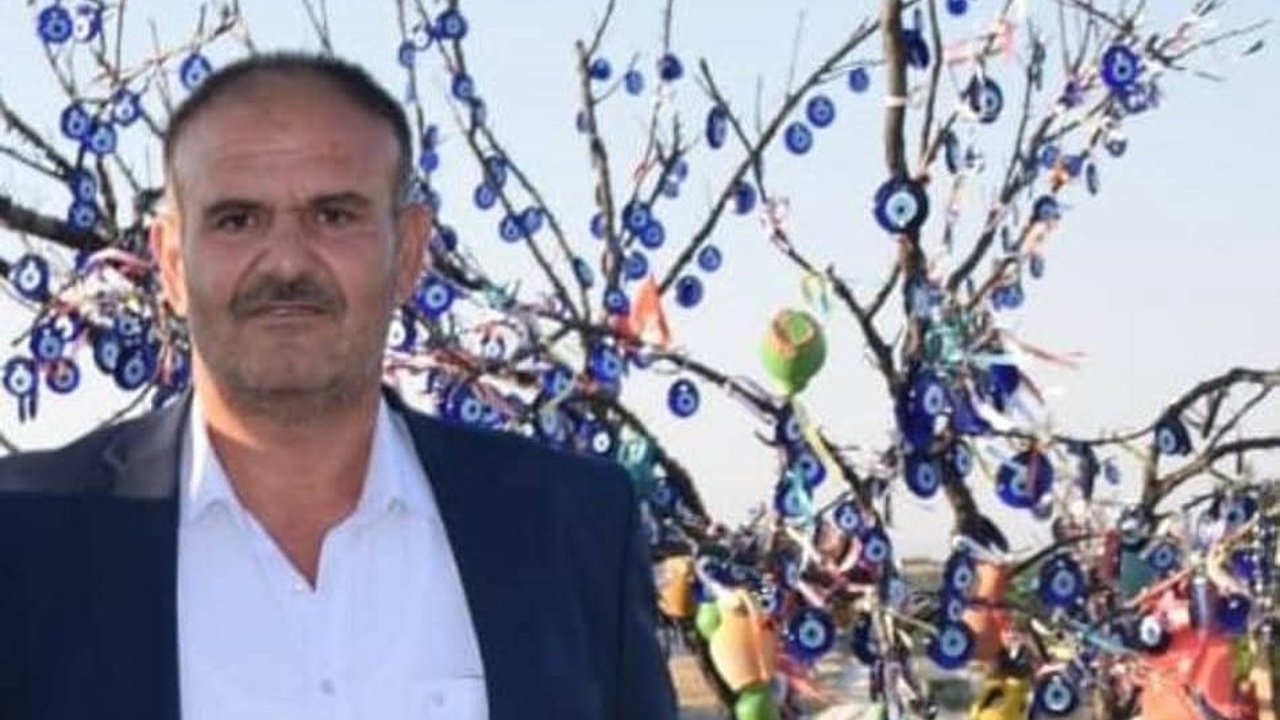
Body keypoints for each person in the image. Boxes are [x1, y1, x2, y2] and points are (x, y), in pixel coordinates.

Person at [0, 52, 678, 720]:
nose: (286, 263)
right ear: (172, 263)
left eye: (333, 215)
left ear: (408, 251)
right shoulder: (27, 543)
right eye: (237, 220)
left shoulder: (573, 526)